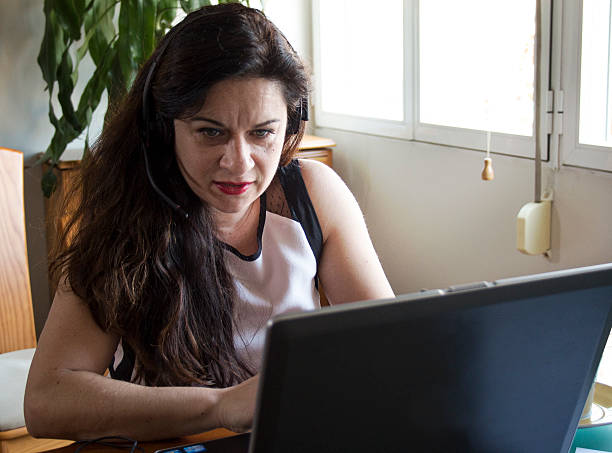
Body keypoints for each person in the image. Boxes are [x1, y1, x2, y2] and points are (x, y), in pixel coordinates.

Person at [24, 3, 394, 442]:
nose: (238, 163)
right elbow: (48, 401)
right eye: (210, 131)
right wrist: (221, 405)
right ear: (166, 128)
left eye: (262, 133)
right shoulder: (124, 217)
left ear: (290, 125)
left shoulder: (313, 195)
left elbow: (391, 345)